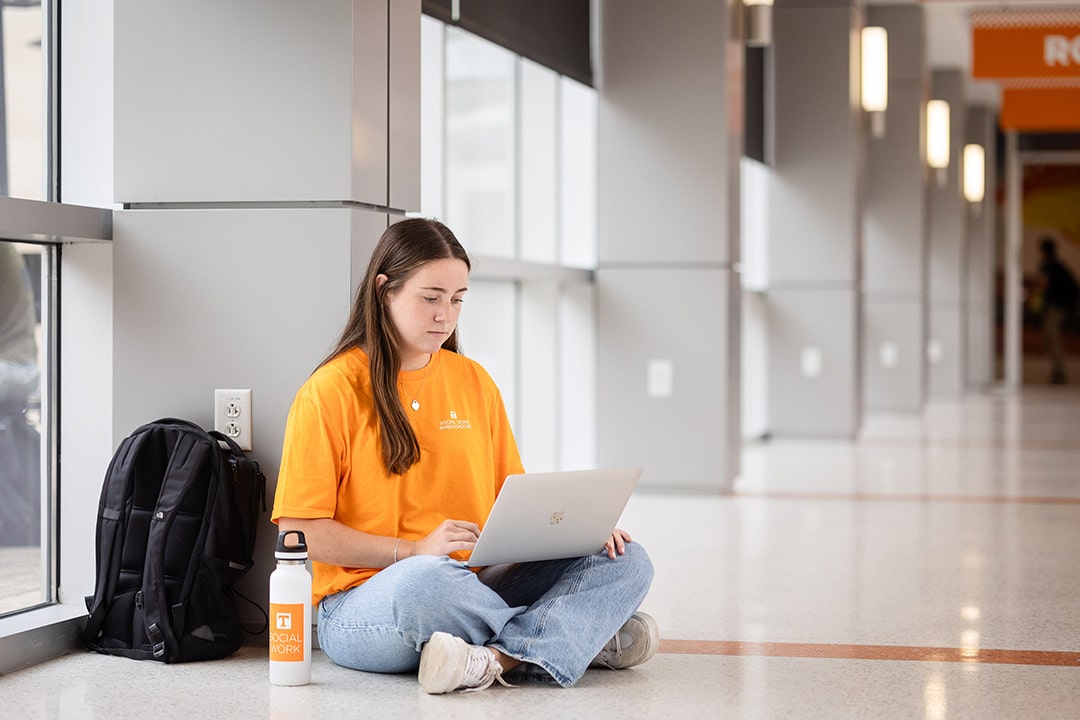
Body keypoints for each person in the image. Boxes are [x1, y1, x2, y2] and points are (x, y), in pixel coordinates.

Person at [272, 218, 656, 694]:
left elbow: (511, 504)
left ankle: (495, 658)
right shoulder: (329, 392)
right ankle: (569, 636)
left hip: (478, 583)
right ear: (383, 291)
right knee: (426, 581)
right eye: (430, 297)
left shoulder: (473, 380)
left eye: (457, 300)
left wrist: (579, 533)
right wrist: (412, 551)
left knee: (628, 560)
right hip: (369, 603)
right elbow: (300, 531)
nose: (444, 315)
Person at [1034, 237, 1078, 384]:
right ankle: (1057, 369)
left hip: (1058, 306)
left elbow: (1042, 285)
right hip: (1062, 305)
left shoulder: (1048, 265)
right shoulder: (1058, 265)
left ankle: (1059, 371)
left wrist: (1034, 300)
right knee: (1051, 336)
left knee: (1051, 336)